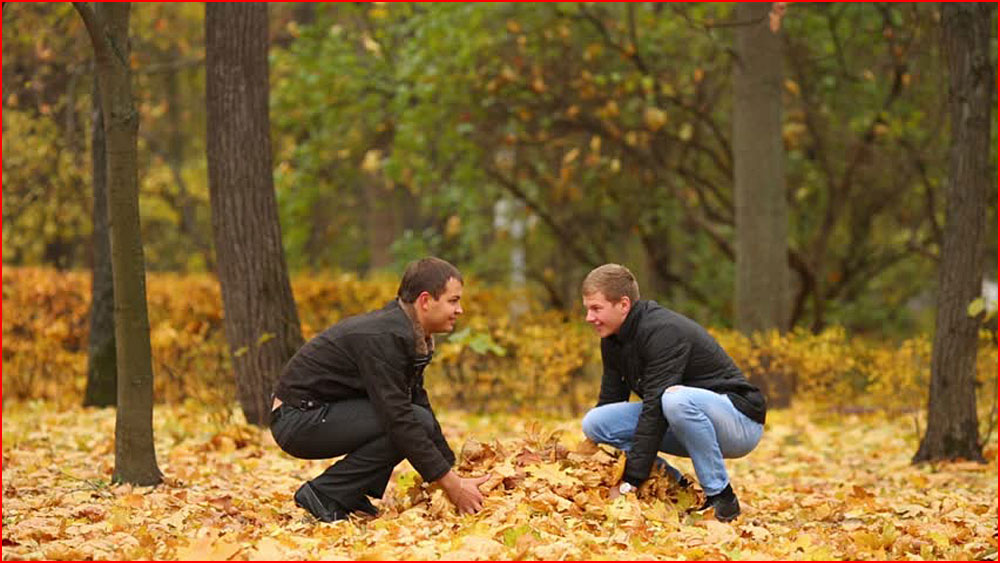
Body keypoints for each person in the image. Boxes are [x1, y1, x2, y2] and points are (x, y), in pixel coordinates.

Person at [270, 257, 489, 522]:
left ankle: (348, 492)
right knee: (410, 421)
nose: (460, 310)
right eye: (453, 301)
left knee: (420, 419)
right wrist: (453, 487)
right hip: (297, 419)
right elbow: (398, 418)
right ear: (425, 301)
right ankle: (324, 493)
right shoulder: (384, 338)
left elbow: (416, 401)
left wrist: (452, 467)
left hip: (315, 413)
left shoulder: (406, 333)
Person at [579, 264, 766, 522]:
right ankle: (678, 488)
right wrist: (595, 459)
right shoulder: (612, 339)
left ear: (623, 305)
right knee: (596, 422)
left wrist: (631, 480)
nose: (589, 317)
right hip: (683, 419)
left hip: (738, 422)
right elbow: (611, 401)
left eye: (596, 308)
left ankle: (722, 498)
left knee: (674, 398)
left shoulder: (663, 331)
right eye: (587, 309)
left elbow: (655, 408)